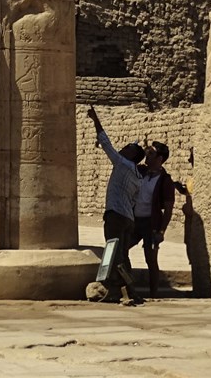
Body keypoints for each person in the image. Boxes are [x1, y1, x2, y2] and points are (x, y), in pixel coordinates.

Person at [87, 105, 144, 296]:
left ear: (132, 155)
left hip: (116, 216)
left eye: (128, 148)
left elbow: (105, 143)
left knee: (114, 253)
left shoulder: (122, 163)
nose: (124, 148)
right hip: (128, 218)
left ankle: (126, 290)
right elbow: (136, 201)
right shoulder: (138, 176)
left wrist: (96, 120)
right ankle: (124, 289)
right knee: (123, 255)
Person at [131, 140, 177, 297]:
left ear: (160, 159)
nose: (147, 157)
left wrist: (161, 230)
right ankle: (127, 286)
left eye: (151, 154)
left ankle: (153, 294)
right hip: (135, 221)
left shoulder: (165, 181)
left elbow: (169, 209)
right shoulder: (140, 172)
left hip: (151, 224)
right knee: (121, 249)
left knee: (150, 260)